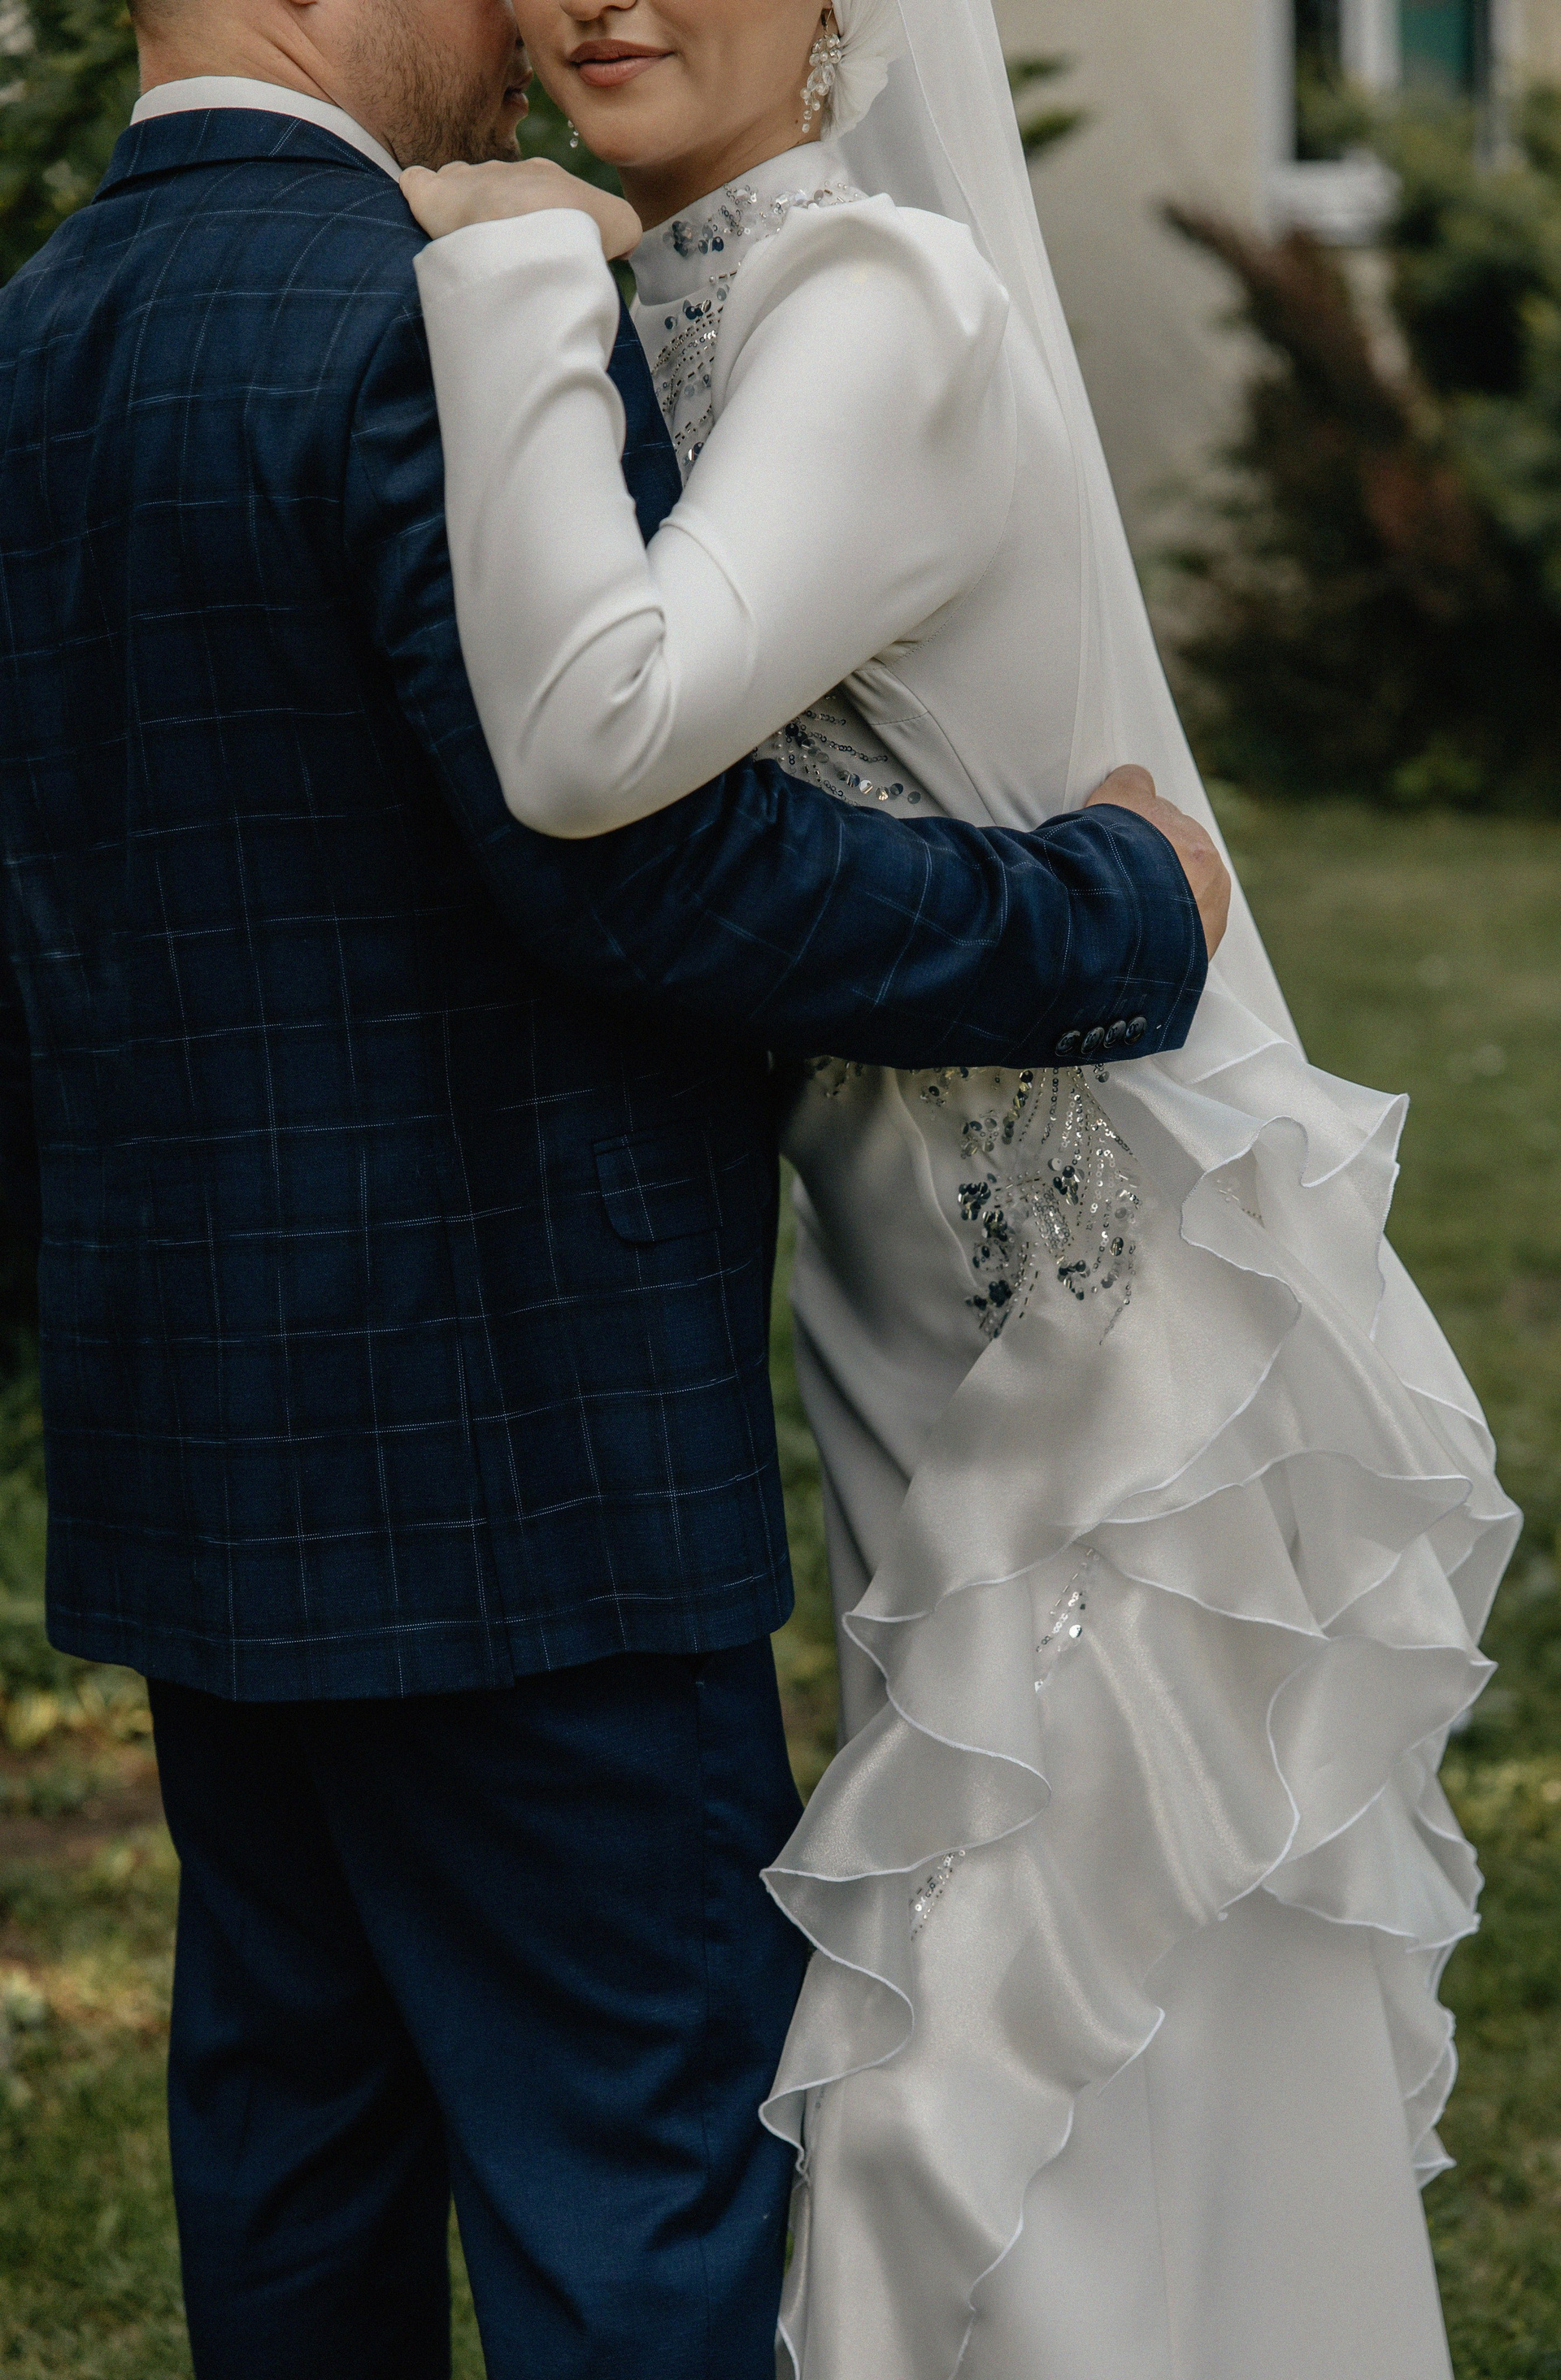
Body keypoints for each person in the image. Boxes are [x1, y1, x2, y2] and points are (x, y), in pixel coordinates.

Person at [0, 0, 1224, 2372]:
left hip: (190, 1480)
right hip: (524, 1477)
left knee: (294, 2169)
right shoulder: (432, 316)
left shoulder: (43, 327)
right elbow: (641, 872)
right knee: (632, 2207)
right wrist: (1108, 915)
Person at [399, 0, 1522, 2374]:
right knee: (1079, 2064)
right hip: (904, 1325)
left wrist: (497, 271)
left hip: (1093, 1362)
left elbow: (594, 733)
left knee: (1006, 2088)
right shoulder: (692, 301)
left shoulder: (872, 299)